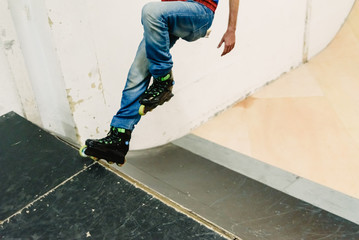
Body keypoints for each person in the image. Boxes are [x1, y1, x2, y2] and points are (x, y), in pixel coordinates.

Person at [80, 0, 239, 165]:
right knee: (138, 71)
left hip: (199, 12)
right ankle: (119, 138)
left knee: (151, 11)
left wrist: (231, 29)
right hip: (170, 15)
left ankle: (163, 79)